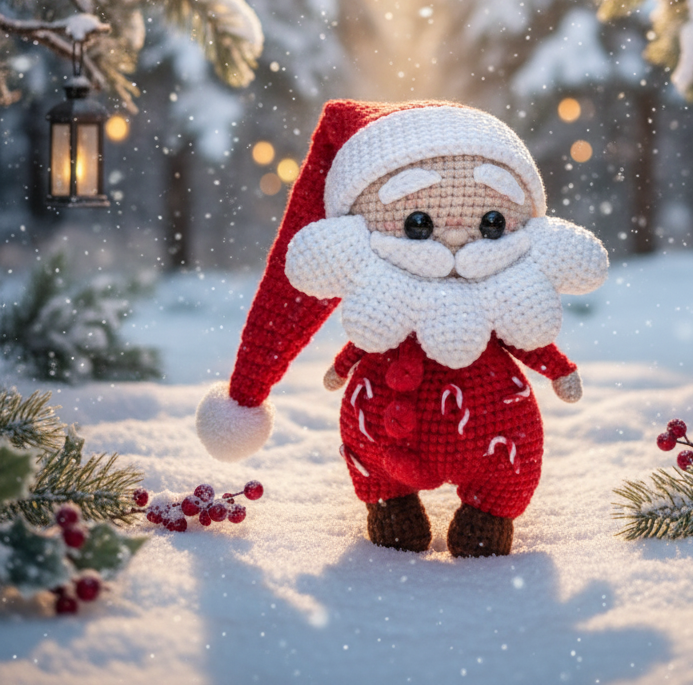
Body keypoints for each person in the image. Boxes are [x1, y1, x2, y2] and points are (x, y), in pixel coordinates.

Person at [197, 100, 608, 556]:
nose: (453, 236)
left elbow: (526, 342)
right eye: (418, 223)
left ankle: (488, 514)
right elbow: (356, 343)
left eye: (492, 223)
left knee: (507, 468)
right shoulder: (382, 310)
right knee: (377, 459)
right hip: (386, 423)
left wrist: (557, 367)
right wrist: (343, 363)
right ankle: (390, 504)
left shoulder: (505, 303)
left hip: (497, 435)